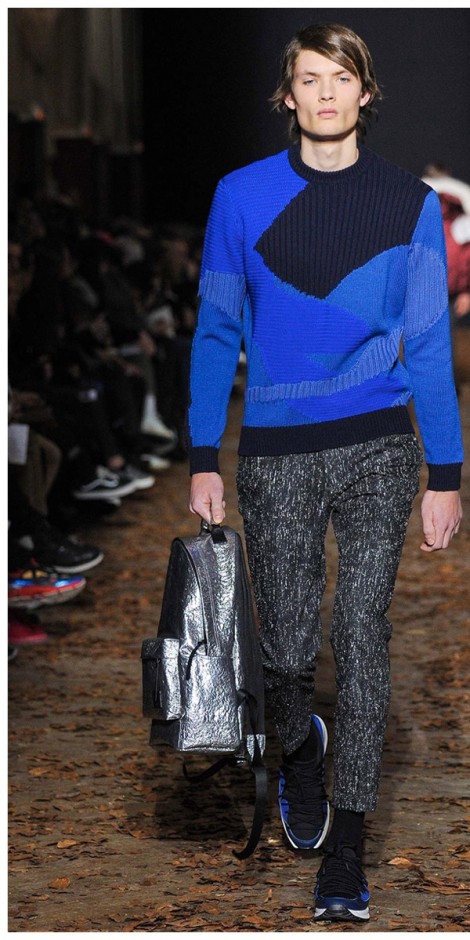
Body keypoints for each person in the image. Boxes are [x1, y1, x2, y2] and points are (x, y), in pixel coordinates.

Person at [187, 23, 464, 924]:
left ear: (366, 92)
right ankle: (300, 752)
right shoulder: (241, 197)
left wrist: (446, 473)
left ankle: (346, 848)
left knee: (362, 631)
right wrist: (202, 455)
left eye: (342, 78)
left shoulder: (409, 205)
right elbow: (216, 329)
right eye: (310, 79)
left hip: (381, 445)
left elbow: (429, 343)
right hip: (276, 449)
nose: (327, 94)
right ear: (289, 96)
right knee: (286, 645)